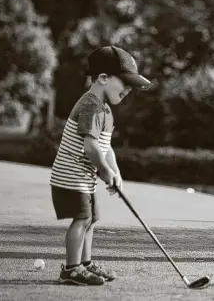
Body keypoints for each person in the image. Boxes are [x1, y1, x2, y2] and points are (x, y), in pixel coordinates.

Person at [50, 46, 153, 284]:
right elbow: (91, 148)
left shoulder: (104, 109)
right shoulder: (91, 106)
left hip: (83, 177)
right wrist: (106, 172)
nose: (129, 89)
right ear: (103, 78)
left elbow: (105, 147)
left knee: (92, 218)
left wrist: (114, 172)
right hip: (71, 176)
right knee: (82, 219)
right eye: (125, 82)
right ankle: (71, 269)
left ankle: (85, 264)